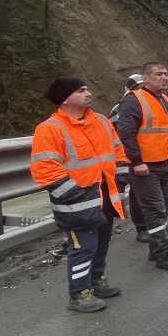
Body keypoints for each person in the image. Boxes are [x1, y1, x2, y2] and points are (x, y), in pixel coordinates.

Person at [30, 78, 128, 312]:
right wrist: (75, 193)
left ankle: (96, 280)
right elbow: (45, 169)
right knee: (83, 247)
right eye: (81, 90)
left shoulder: (102, 121)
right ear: (65, 98)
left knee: (101, 244)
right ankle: (79, 293)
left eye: (87, 89)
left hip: (105, 197)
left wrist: (122, 176)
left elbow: (118, 150)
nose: (88, 93)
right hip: (76, 203)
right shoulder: (49, 129)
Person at [114, 62, 168, 271]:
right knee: (155, 210)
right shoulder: (133, 101)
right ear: (145, 78)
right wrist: (136, 162)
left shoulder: (164, 100)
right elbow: (126, 134)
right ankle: (163, 254)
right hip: (145, 167)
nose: (164, 77)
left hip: (165, 163)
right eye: (158, 74)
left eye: (166, 73)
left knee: (163, 206)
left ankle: (157, 250)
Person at [110, 73, 146, 229]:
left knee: (148, 193)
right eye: (138, 88)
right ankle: (140, 226)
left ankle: (156, 223)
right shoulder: (123, 106)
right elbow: (122, 134)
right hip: (127, 157)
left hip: (145, 156)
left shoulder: (150, 104)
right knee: (136, 193)